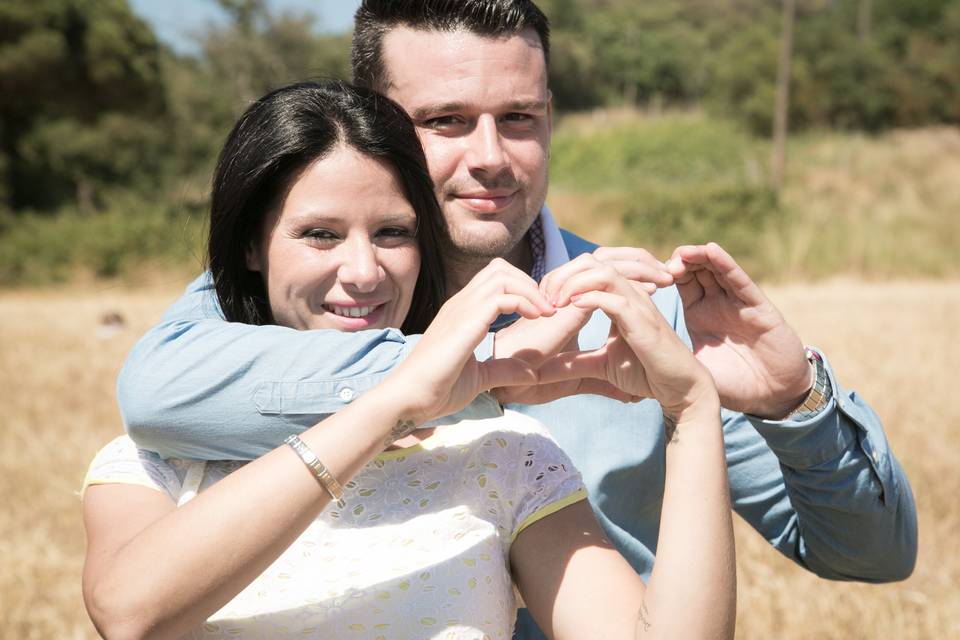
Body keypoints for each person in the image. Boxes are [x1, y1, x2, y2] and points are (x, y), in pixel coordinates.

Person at [116, 1, 917, 637]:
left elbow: (871, 556)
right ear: (373, 125)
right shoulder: (309, 294)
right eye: (447, 121)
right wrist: (475, 369)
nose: (492, 156)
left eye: (521, 118)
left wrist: (796, 403)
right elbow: (155, 391)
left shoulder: (643, 314)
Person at [82, 80, 736, 639]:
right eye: (321, 235)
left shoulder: (505, 452)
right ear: (252, 245)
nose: (364, 272)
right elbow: (131, 614)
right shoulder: (163, 451)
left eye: (393, 233)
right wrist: (394, 401)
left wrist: (693, 409)